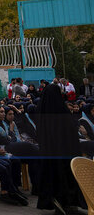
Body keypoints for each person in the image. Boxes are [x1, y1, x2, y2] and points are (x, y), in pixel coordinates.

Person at [36, 83, 85, 214]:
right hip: (64, 153)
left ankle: (56, 201)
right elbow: (69, 133)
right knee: (64, 176)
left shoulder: (42, 111)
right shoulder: (60, 110)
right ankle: (67, 202)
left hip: (48, 152)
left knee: (52, 176)